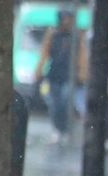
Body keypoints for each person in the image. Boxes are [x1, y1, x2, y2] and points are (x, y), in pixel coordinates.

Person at [35, 10, 88, 143]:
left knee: (65, 101)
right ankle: (57, 128)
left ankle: (65, 128)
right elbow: (44, 54)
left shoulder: (76, 36)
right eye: (64, 18)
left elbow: (82, 56)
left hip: (69, 75)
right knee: (55, 104)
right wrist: (39, 72)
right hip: (54, 75)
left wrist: (82, 74)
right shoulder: (53, 35)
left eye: (68, 18)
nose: (66, 21)